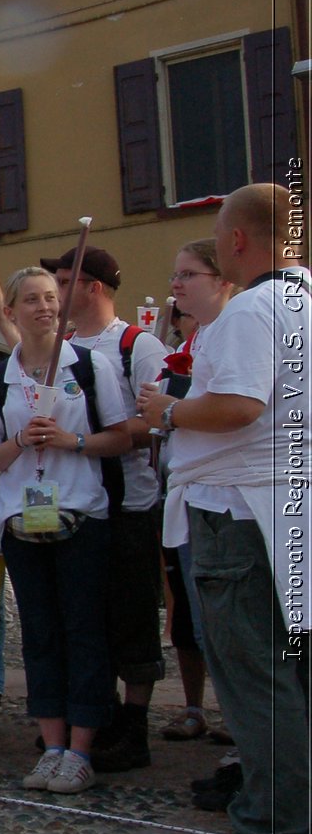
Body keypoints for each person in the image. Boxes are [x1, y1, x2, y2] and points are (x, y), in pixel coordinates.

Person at [137, 182, 310, 834]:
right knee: (291, 676)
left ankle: (271, 833)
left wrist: (169, 412)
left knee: (258, 680)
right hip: (290, 502)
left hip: (240, 512)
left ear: (237, 239)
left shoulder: (255, 310)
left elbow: (239, 405)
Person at [0, 268, 131, 794]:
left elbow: (122, 437)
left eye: (51, 297)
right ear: (13, 310)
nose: (45, 307)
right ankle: (51, 744)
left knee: (84, 630)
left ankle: (82, 749)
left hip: (81, 515)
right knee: (40, 634)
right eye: (33, 300)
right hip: (22, 520)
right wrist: (21, 439)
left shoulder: (90, 366)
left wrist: (73, 441)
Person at [45, 245, 168, 774]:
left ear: (93, 286)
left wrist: (88, 438)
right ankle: (99, 715)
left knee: (134, 615)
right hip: (79, 500)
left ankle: (135, 728)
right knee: (86, 615)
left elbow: (159, 419)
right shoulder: (62, 347)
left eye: (64, 281)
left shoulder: (137, 345)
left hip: (131, 500)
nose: (56, 293)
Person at [154, 239, 235, 741]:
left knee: (230, 630)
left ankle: (249, 747)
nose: (176, 285)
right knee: (199, 622)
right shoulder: (191, 344)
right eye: (175, 275)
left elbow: (236, 409)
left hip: (228, 499)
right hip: (190, 495)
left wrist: (166, 409)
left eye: (188, 275)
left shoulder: (235, 333)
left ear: (222, 279)